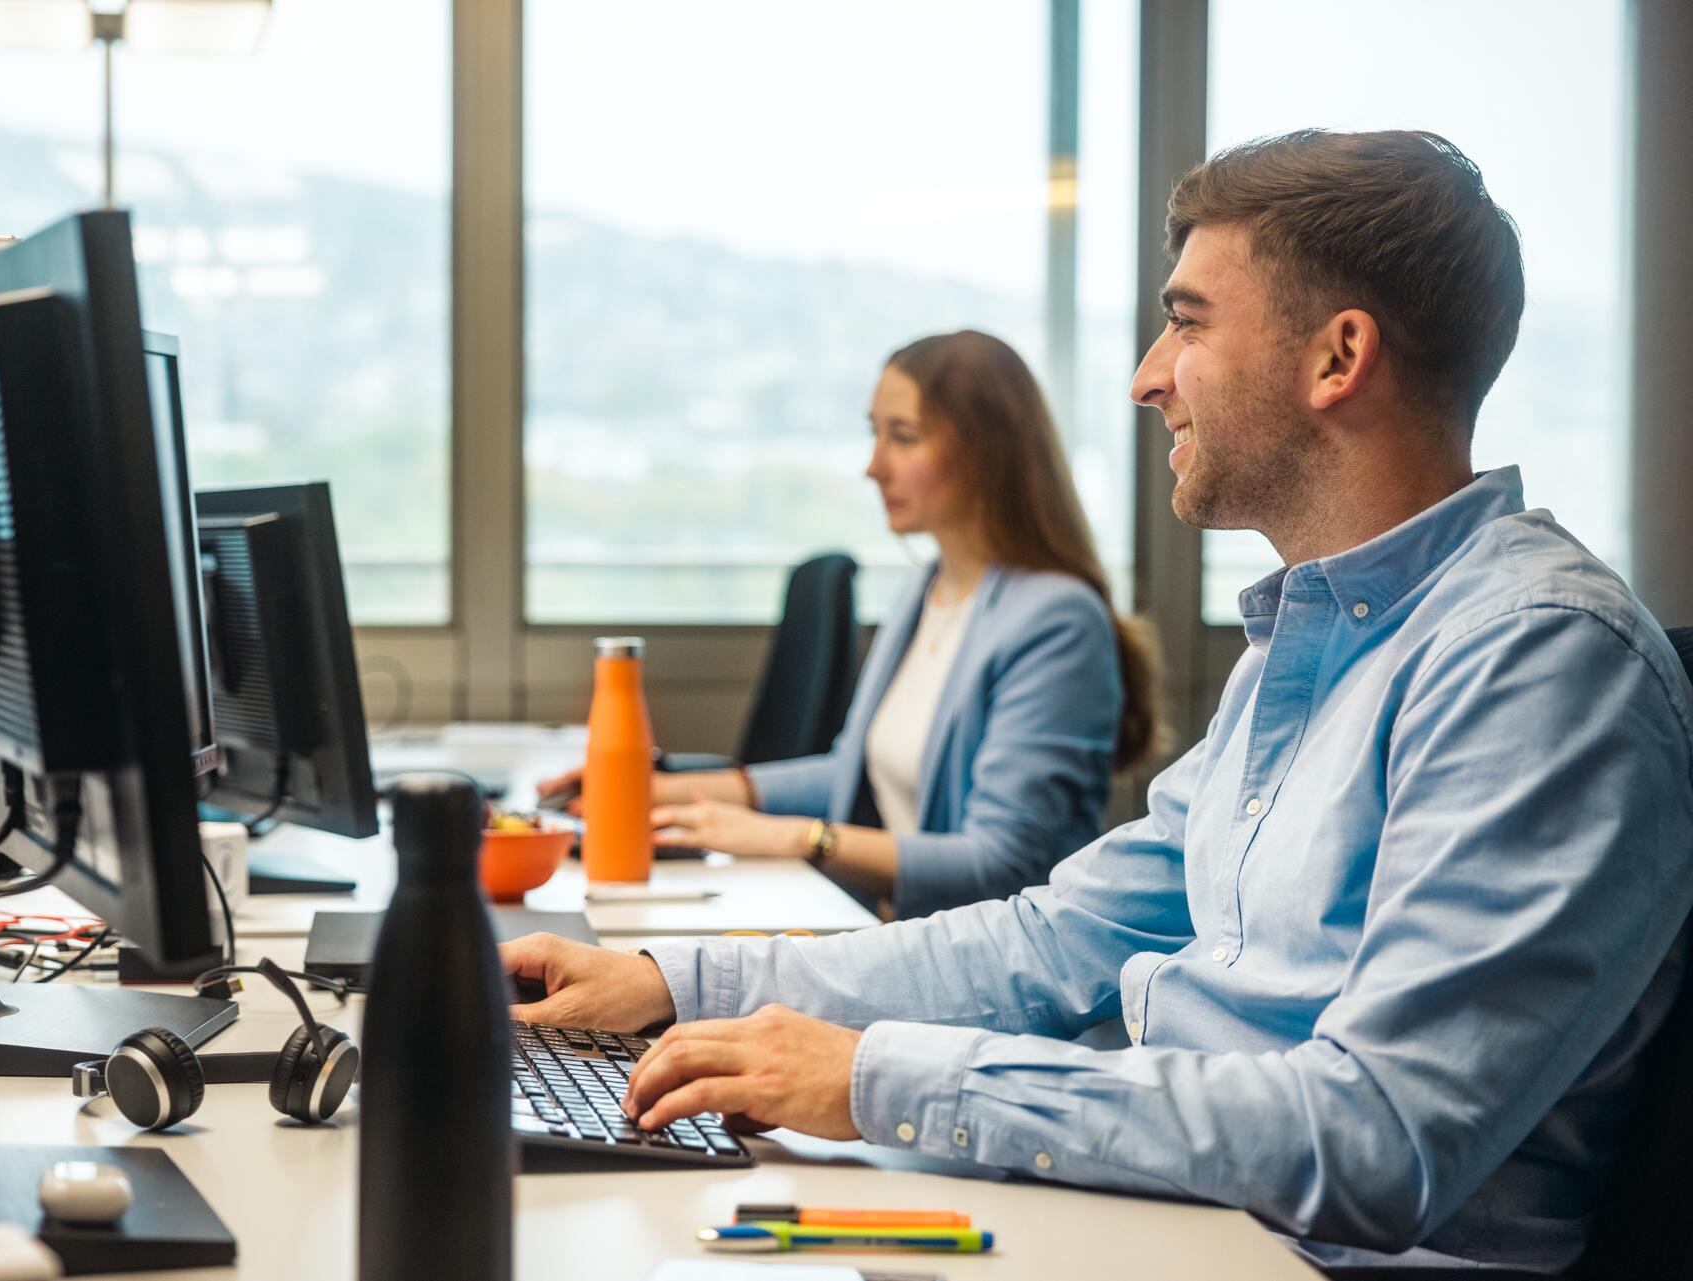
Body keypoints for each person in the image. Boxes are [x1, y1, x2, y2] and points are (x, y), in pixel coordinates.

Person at [504, 129, 1693, 1272]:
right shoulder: (1316, 641)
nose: (1145, 380)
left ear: (1339, 357)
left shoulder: (1536, 663)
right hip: (1197, 1219)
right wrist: (680, 984)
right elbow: (1057, 936)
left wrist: (877, 1078)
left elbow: (1376, 1134)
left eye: (1186, 325)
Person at [542, 331, 1161, 918]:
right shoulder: (926, 589)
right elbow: (849, 771)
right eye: (875, 435)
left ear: (984, 454)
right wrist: (663, 789)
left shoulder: (1057, 620)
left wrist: (792, 838)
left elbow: (1002, 862)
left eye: (904, 437)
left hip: (998, 969)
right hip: (903, 935)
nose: (874, 466)